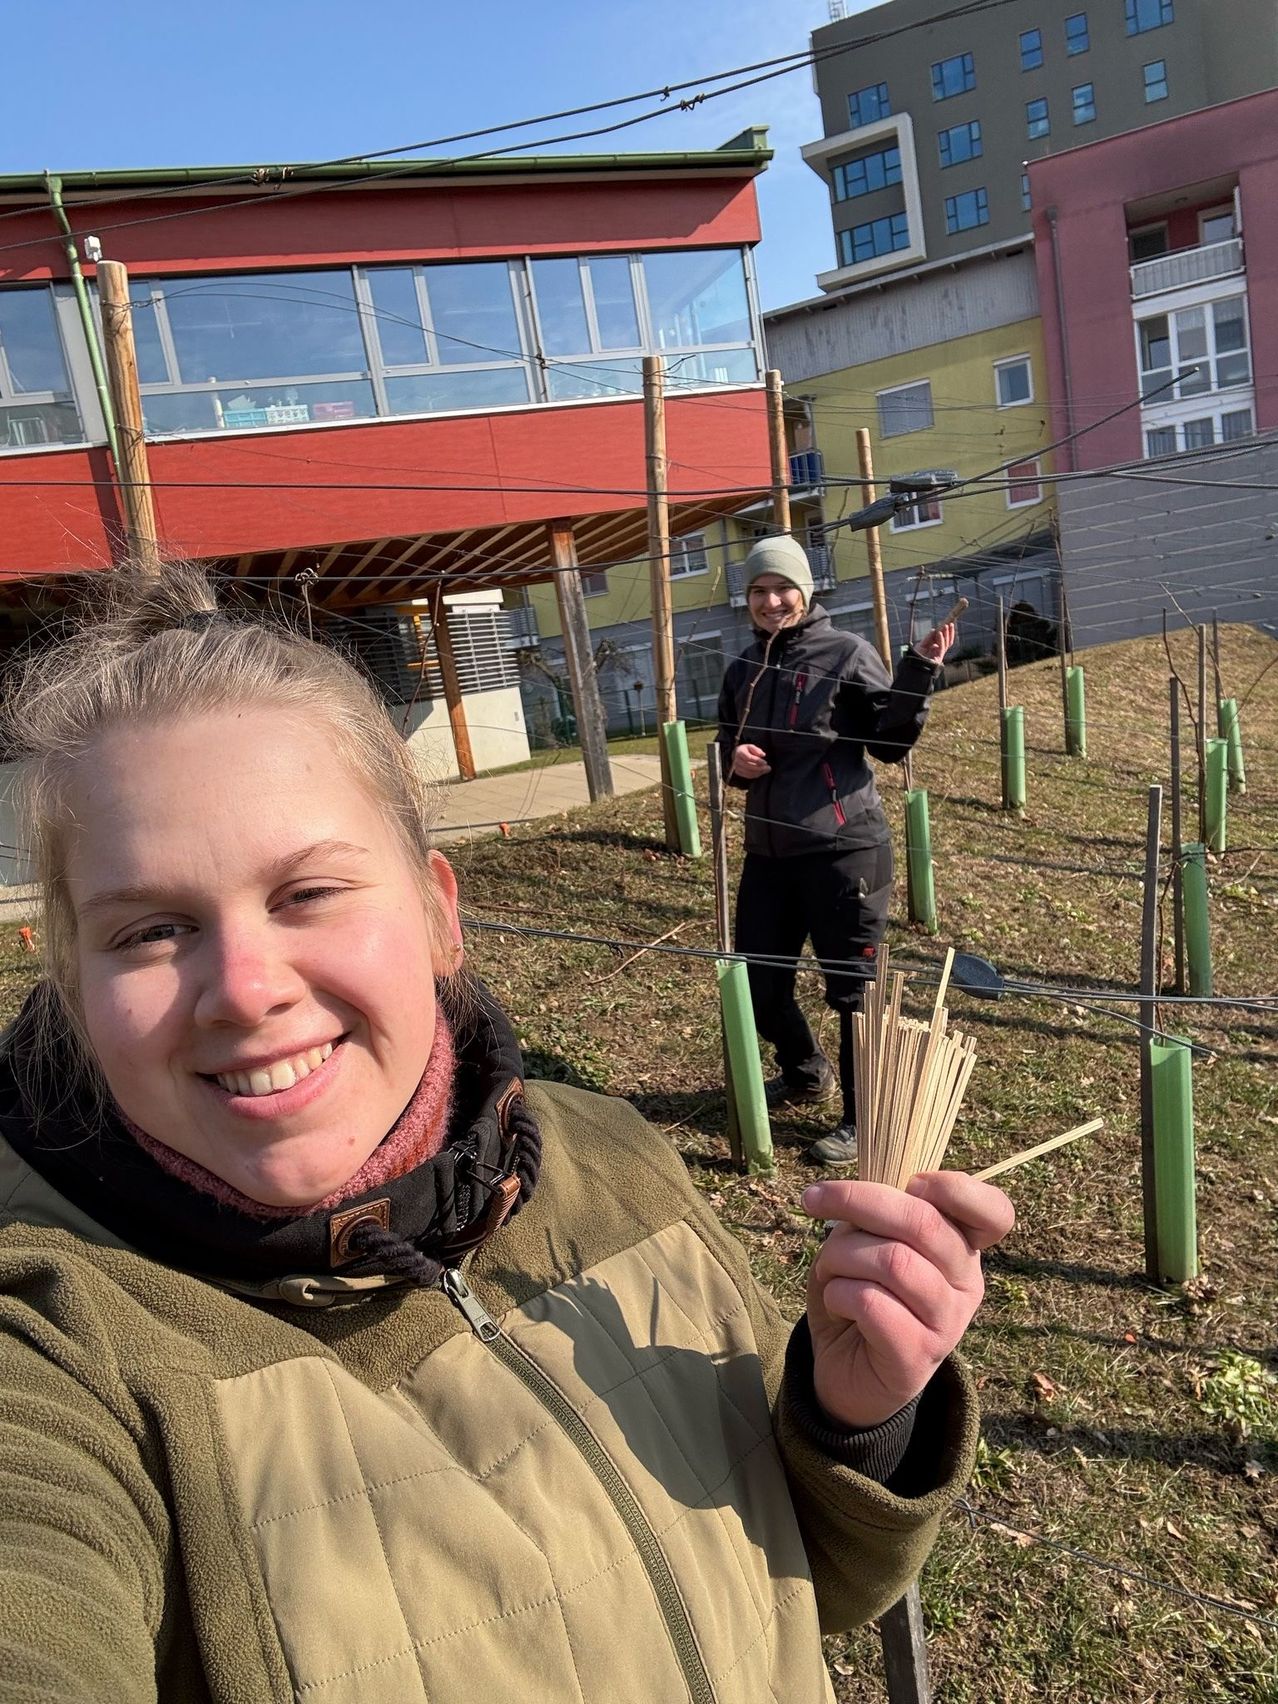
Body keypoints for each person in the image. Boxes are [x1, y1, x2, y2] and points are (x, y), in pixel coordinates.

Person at [0, 563, 1011, 1702]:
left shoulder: (610, 1160)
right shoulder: (56, 1349)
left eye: (307, 894)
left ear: (440, 913)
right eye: (149, 929)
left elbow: (799, 1587)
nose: (242, 989)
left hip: (836, 844)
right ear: (72, 980)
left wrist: (854, 1422)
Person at [718, 535, 955, 1167]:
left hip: (843, 849)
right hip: (769, 852)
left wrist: (917, 672)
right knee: (760, 983)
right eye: (759, 591)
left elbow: (890, 743)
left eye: (782, 588)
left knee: (853, 992)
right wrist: (734, 760)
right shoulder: (744, 667)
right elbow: (726, 742)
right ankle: (804, 1070)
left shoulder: (846, 653)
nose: (771, 601)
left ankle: (865, 1117)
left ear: (806, 590)